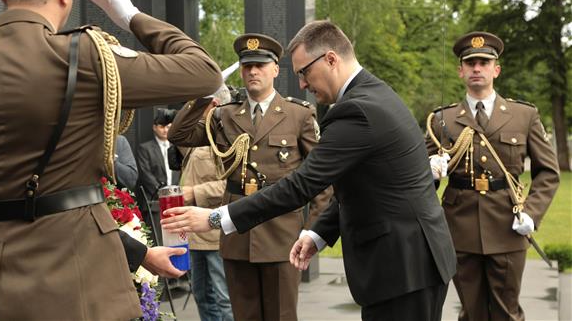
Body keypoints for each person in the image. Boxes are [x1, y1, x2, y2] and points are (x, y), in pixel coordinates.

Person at [0, 0, 222, 319]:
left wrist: (141, 254)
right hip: (78, 284)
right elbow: (204, 73)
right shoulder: (83, 61)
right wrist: (130, 15)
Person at [163, 21, 456, 321]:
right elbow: (356, 187)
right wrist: (318, 233)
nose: (302, 83)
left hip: (403, 267)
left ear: (330, 59)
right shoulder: (371, 95)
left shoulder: (357, 110)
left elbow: (301, 185)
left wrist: (216, 217)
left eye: (304, 72)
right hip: (407, 264)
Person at [168, 33, 333, 321]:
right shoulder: (225, 115)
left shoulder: (299, 115)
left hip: (282, 235)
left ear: (275, 70)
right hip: (238, 237)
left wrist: (311, 230)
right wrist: (203, 94)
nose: (253, 71)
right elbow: (178, 134)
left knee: (281, 316)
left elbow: (321, 181)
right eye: (247, 66)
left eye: (260, 65)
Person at [425, 31, 560, 321]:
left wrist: (532, 214)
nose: (477, 68)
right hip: (459, 227)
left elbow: (548, 172)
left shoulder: (523, 115)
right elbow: (421, 181)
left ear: (495, 70)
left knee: (506, 312)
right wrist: (430, 171)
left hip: (508, 225)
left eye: (484, 62)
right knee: (470, 312)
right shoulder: (442, 120)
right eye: (470, 62)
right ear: (461, 71)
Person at [179, 85, 234, 321]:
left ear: (212, 105)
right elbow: (178, 133)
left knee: (223, 299)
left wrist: (194, 192)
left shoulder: (227, 137)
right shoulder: (201, 135)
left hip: (214, 232)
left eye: (196, 104)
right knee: (202, 296)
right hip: (195, 235)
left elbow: (231, 185)